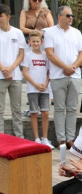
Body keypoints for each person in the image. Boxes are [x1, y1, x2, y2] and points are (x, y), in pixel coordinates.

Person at [45, 6, 82, 148]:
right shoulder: (50, 32)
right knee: (59, 108)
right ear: (59, 16)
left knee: (72, 108)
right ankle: (61, 139)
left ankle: (70, 138)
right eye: (68, 15)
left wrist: (73, 67)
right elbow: (50, 54)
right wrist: (65, 67)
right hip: (57, 75)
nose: (71, 18)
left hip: (74, 75)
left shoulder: (76, 32)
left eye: (72, 15)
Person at [22, 30, 51, 148]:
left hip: (44, 89)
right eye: (33, 41)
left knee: (45, 113)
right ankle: (36, 138)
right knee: (34, 113)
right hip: (32, 89)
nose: (35, 43)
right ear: (29, 42)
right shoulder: (27, 55)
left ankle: (45, 138)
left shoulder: (46, 55)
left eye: (37, 41)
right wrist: (35, 84)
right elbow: (25, 72)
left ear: (41, 42)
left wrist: (45, 83)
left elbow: (49, 72)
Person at [0, 5, 25, 138]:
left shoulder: (17, 32)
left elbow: (21, 54)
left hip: (15, 76)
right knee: (0, 109)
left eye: (1, 16)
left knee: (16, 109)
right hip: (0, 76)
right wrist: (4, 69)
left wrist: (10, 68)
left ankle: (19, 137)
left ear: (8, 17)